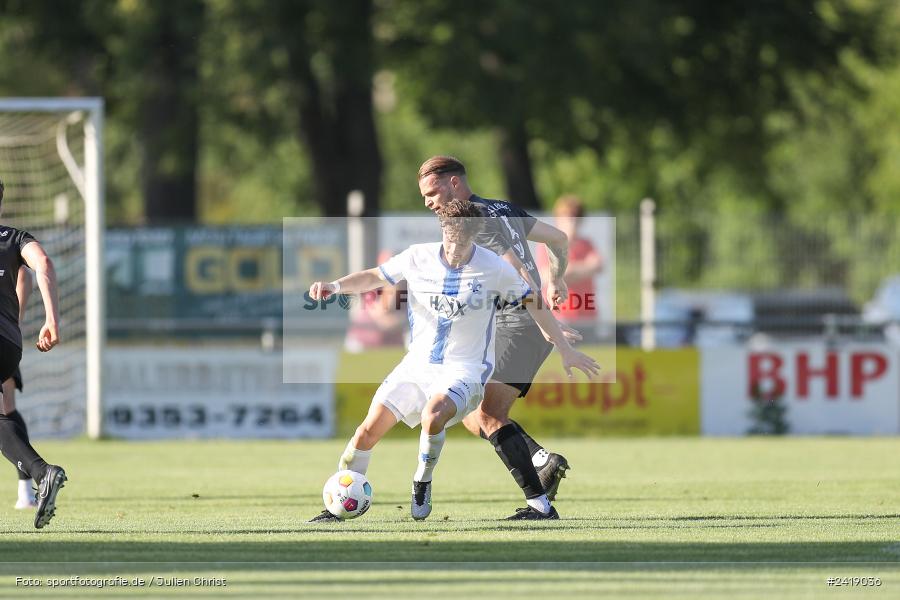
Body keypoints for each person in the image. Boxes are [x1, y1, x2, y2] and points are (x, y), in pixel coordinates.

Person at [308, 200, 597, 522]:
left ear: (473, 236)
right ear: (443, 230)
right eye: (450, 238)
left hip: (466, 368)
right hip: (416, 365)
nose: (455, 248)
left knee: (434, 415)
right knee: (366, 433)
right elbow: (375, 276)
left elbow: (534, 301)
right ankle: (336, 507)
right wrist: (334, 286)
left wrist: (561, 345)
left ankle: (422, 480)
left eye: (463, 241)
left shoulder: (494, 266)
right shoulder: (419, 256)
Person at [418, 156, 588, 519]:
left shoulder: (472, 221)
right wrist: (557, 278)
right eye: (424, 197)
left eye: (433, 192)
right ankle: (542, 459)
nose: (429, 202)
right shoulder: (503, 208)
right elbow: (557, 239)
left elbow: (519, 274)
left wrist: (552, 331)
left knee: (488, 414)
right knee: (470, 415)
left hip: (521, 323)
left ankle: (539, 506)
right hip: (513, 324)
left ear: (454, 184)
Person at [0, 178, 67, 529]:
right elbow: (43, 264)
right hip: (10, 344)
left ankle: (41, 475)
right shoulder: (14, 238)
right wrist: (51, 319)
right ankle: (41, 475)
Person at [536, 195, 604, 340]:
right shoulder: (547, 244)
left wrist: (566, 272)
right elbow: (546, 276)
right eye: (568, 216)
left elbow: (598, 266)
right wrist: (583, 269)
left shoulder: (586, 244)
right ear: (558, 218)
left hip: (586, 314)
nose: (573, 220)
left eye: (577, 216)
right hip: (560, 315)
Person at [2, 265, 37, 509]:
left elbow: (25, 274)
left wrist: (14, 321)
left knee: (7, 408)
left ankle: (27, 489)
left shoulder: (8, 242)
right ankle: (27, 490)